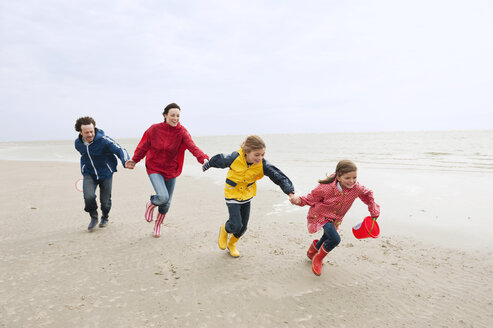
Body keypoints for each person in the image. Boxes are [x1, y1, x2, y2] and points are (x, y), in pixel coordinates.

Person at [202, 135, 295, 258]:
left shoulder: (263, 164)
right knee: (235, 225)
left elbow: (277, 175)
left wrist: (290, 191)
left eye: (263, 154)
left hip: (247, 195)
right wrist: (207, 165)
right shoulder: (235, 158)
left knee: (243, 227)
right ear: (246, 152)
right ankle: (225, 229)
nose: (260, 158)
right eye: (257, 155)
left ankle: (232, 244)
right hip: (232, 193)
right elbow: (221, 160)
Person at [126, 103, 209, 238]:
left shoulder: (182, 132)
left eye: (178, 116)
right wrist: (135, 160)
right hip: (154, 167)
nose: (175, 118)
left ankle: (158, 224)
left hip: (171, 170)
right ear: (165, 115)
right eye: (172, 115)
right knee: (163, 197)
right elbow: (143, 146)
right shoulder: (154, 130)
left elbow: (193, 147)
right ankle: (151, 203)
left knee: (167, 203)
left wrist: (204, 159)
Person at [290, 160, 380, 276]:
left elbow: (368, 194)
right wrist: (298, 200)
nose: (352, 181)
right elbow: (311, 198)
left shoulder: (356, 188)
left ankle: (313, 250)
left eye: (354, 177)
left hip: (336, 218)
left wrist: (373, 211)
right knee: (335, 239)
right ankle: (318, 258)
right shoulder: (326, 188)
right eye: (347, 178)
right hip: (322, 215)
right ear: (338, 175)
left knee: (327, 236)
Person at [74, 116, 133, 231]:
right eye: (87, 132)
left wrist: (125, 161)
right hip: (89, 173)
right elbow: (84, 155)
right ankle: (93, 216)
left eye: (92, 131)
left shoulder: (104, 140)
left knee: (105, 202)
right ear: (81, 132)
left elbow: (119, 149)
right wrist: (84, 167)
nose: (90, 134)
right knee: (88, 197)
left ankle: (105, 217)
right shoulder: (78, 144)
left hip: (106, 173)